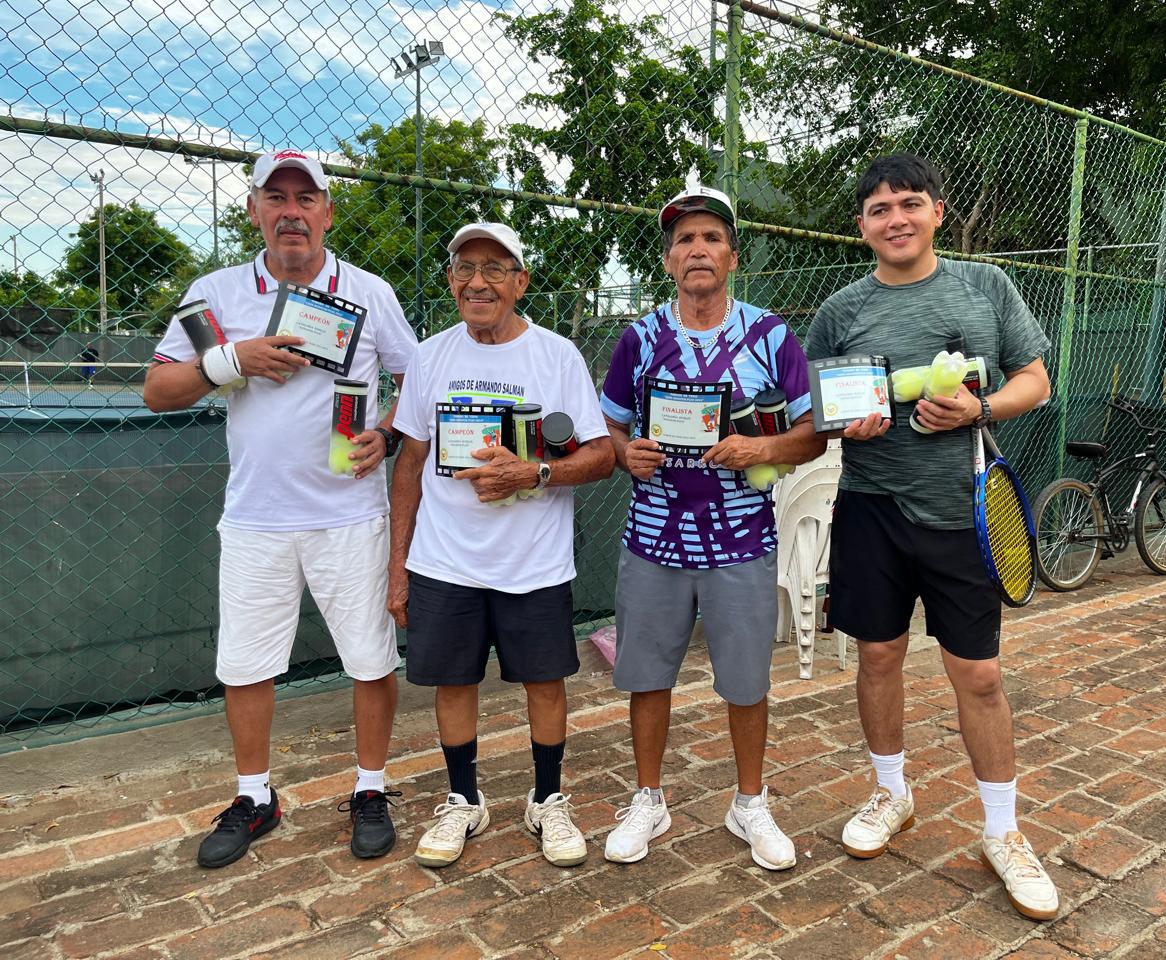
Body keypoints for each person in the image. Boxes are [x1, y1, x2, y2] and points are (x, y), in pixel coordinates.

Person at [144, 150, 417, 868]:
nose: (291, 210)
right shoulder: (216, 292)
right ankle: (255, 795)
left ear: (328, 210)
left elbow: (415, 377)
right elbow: (157, 389)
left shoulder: (367, 290)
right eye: (277, 196)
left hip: (350, 512)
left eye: (307, 197)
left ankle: (369, 786)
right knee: (245, 664)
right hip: (257, 517)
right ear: (254, 209)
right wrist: (231, 360)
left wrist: (385, 433)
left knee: (368, 659)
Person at [806, 153, 1058, 920]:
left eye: (909, 203)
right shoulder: (841, 310)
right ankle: (891, 794)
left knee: (977, 676)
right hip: (870, 508)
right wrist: (843, 424)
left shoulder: (986, 287)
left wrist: (979, 412)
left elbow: (1036, 381)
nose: (896, 219)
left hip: (962, 511)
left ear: (936, 212)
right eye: (879, 210)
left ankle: (1004, 833)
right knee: (878, 657)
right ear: (862, 226)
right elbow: (818, 414)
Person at [598, 176, 825, 871]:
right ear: (668, 260)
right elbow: (609, 425)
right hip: (654, 536)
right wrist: (623, 453)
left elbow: (812, 435)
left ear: (732, 256)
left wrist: (761, 448)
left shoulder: (770, 336)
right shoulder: (639, 339)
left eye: (712, 238)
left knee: (747, 679)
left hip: (742, 537)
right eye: (685, 240)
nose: (698, 250)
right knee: (646, 674)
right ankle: (648, 799)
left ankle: (749, 802)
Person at [388, 222, 614, 868]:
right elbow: (409, 464)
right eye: (464, 267)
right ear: (452, 281)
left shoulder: (556, 356)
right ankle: (464, 800)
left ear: (521, 281)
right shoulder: (431, 355)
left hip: (532, 562)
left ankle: (547, 799)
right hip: (444, 559)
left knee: (545, 682)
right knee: (452, 683)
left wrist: (534, 472)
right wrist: (397, 568)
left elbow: (598, 457)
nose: (477, 281)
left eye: (494, 267)